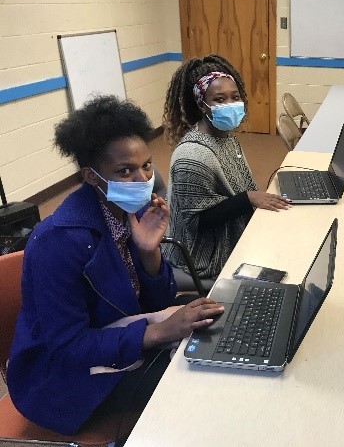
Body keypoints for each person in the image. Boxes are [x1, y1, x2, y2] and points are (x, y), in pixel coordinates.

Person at [7, 96, 224, 437]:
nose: (143, 179)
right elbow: (69, 347)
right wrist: (158, 332)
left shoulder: (128, 211)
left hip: (118, 332)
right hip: (64, 377)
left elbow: (153, 302)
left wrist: (149, 253)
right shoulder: (57, 242)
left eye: (147, 166)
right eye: (125, 170)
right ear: (91, 177)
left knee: (215, 324)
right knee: (196, 380)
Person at [162, 54, 290, 280]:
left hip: (229, 226)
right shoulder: (192, 156)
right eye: (219, 100)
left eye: (235, 97)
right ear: (202, 105)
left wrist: (252, 198)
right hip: (202, 254)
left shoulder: (225, 136)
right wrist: (247, 199)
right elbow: (197, 223)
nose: (230, 105)